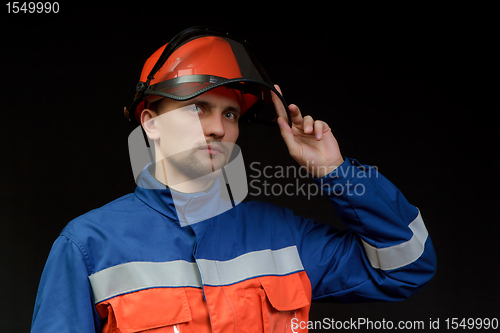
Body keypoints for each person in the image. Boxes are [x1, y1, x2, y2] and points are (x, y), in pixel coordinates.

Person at [31, 27, 437, 333]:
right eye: (198, 109)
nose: (218, 129)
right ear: (150, 124)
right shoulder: (87, 246)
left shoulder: (283, 237)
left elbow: (406, 265)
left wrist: (335, 170)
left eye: (229, 114)